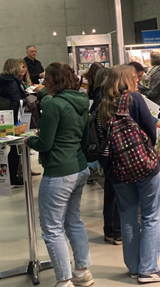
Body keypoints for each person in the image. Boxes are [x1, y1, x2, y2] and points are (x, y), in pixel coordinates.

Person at [97, 64, 160, 283]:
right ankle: (149, 268)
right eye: (133, 78)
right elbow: (150, 129)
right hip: (145, 167)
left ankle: (134, 267)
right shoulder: (135, 100)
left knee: (128, 216)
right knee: (151, 215)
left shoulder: (103, 106)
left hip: (118, 170)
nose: (137, 80)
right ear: (126, 80)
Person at [24, 62, 93, 287]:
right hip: (79, 167)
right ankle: (82, 272)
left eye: (46, 80)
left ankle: (64, 281)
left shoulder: (54, 106)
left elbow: (45, 143)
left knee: (52, 228)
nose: (43, 83)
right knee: (73, 221)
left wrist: (29, 140)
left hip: (58, 172)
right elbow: (83, 140)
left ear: (54, 81)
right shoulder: (82, 102)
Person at [0, 59, 26, 186]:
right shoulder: (13, 82)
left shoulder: (3, 80)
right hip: (13, 119)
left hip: (3, 118)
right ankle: (12, 177)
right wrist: (26, 101)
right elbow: (16, 102)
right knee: (16, 148)